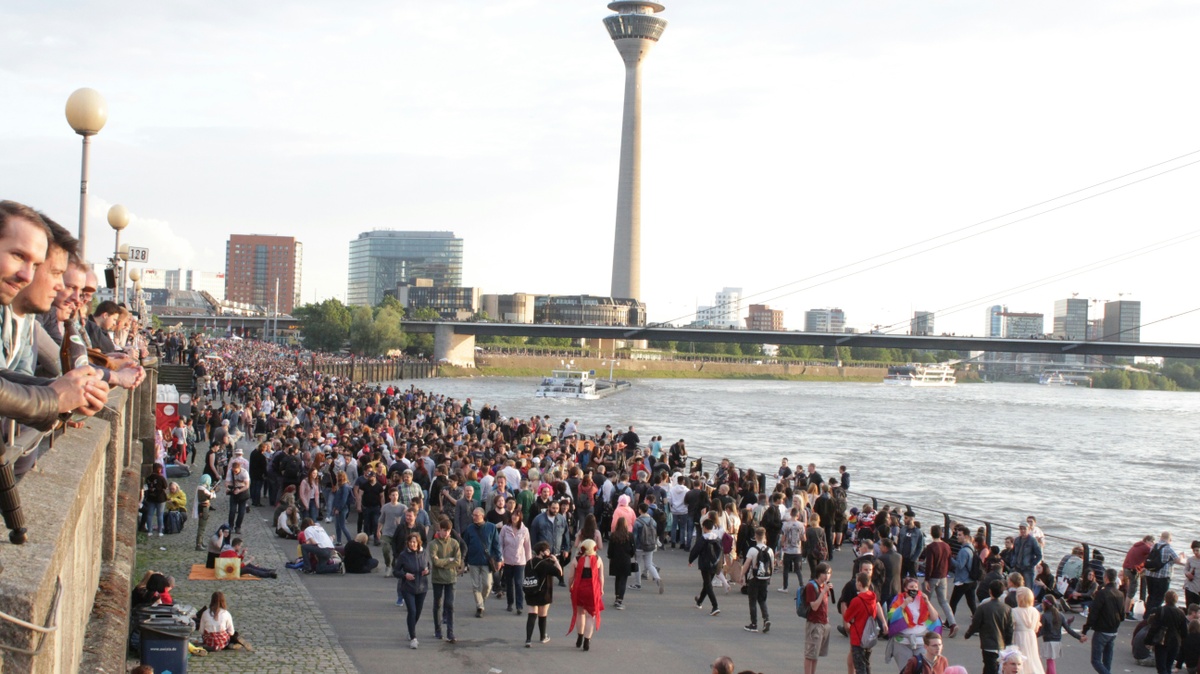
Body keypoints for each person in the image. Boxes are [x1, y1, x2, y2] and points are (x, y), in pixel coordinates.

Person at [887, 575, 941, 668]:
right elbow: (892, 617)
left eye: (916, 587)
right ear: (905, 588)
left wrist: (927, 602)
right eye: (911, 587)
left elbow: (934, 618)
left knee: (923, 669)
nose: (914, 589)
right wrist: (904, 603)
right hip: (902, 642)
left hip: (920, 641)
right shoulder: (898, 600)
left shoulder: (922, 599)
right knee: (906, 669)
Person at [964, 579, 1014, 674]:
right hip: (1001, 643)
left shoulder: (983, 607)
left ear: (990, 591)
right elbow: (1009, 628)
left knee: (989, 666)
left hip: (988, 643)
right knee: (997, 666)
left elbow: (975, 623)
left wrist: (968, 634)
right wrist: (1008, 644)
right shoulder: (1007, 609)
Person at [1081, 567, 1125, 674]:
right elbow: (1123, 615)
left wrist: (1085, 629)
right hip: (1113, 631)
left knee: (1096, 660)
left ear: (1106, 578)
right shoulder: (1120, 594)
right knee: (1107, 661)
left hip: (1102, 630)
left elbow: (1094, 613)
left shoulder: (1102, 593)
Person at [844, 570, 887, 674]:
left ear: (859, 583)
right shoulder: (873, 598)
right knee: (867, 664)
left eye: (856, 582)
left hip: (858, 636)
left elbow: (847, 616)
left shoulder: (857, 600)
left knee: (859, 666)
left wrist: (853, 618)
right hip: (869, 635)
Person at [462, 507, 501, 618]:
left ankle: (481, 601)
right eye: (473, 515)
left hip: (486, 561)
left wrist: (499, 558)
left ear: (482, 516)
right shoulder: (469, 528)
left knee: (487, 585)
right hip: (473, 561)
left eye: (476, 515)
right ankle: (480, 606)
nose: (474, 517)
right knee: (475, 586)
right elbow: (465, 545)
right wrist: (464, 561)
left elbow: (496, 544)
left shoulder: (491, 527)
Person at [394, 531, 431, 649]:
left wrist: (427, 571)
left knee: (418, 612)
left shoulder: (424, 553)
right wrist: (405, 575)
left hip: (422, 587)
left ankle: (411, 630)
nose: (412, 544)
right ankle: (413, 638)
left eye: (414, 542)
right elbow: (396, 571)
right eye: (410, 542)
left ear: (418, 542)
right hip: (408, 587)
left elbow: (428, 566)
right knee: (412, 611)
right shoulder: (403, 555)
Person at [429, 517, 462, 642]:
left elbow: (458, 561)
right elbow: (435, 562)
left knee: (450, 605)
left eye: (448, 530)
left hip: (451, 578)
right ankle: (438, 630)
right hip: (437, 578)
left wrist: (446, 562)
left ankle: (450, 632)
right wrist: (449, 560)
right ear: (440, 530)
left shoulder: (454, 543)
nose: (446, 533)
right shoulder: (434, 544)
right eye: (443, 530)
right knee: (437, 604)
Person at [568, 538, 605, 652]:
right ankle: (587, 641)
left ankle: (579, 636)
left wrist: (571, 587)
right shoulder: (598, 559)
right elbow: (601, 577)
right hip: (592, 590)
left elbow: (570, 577)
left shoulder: (576, 559)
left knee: (580, 614)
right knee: (590, 616)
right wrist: (602, 589)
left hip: (579, 589)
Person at [524, 540, 563, 647]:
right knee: (543, 614)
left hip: (530, 590)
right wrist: (556, 561)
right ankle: (542, 637)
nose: (549, 552)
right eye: (547, 550)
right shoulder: (546, 565)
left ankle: (528, 639)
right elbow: (560, 573)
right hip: (543, 593)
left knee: (532, 615)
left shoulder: (529, 563)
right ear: (541, 552)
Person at [922, 525, 957, 637]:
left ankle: (927, 624)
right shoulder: (947, 546)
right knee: (944, 601)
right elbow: (949, 562)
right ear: (941, 534)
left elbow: (929, 564)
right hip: (943, 576)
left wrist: (927, 579)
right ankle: (952, 623)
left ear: (931, 534)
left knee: (925, 600)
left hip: (933, 577)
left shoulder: (931, 547)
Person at [1146, 589, 1188, 674]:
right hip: (1175, 642)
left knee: (1161, 667)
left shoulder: (1161, 610)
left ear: (1165, 599)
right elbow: (1184, 632)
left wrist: (1148, 641)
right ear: (1176, 600)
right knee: (1168, 666)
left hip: (1162, 641)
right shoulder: (1181, 613)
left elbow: (1154, 627)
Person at [1039, 595, 1084, 674]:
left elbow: (1041, 631)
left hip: (1048, 641)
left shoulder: (1044, 616)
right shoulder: (1060, 615)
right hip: (1057, 641)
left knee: (1050, 662)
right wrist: (1079, 637)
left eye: (1042, 603)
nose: (1041, 605)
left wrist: (1032, 635)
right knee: (1051, 661)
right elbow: (1069, 630)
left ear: (1045, 604)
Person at [1145, 532, 1186, 616]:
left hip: (1150, 574)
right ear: (1169, 539)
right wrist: (1182, 556)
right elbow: (1178, 560)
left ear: (1161, 537)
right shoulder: (1168, 548)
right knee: (1159, 598)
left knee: (1151, 596)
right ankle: (1153, 616)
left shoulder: (1154, 546)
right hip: (1162, 577)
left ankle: (1146, 615)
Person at [741, 526, 773, 633]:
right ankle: (766, 619)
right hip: (765, 578)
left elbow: (746, 564)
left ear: (755, 536)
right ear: (764, 537)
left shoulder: (752, 550)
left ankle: (754, 623)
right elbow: (772, 565)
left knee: (752, 601)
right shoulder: (770, 550)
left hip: (754, 578)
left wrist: (742, 576)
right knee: (762, 600)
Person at [500, 509, 533, 614]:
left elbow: (527, 546)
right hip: (508, 560)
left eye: (517, 516)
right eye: (513, 515)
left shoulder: (524, 530)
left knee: (518, 583)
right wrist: (501, 558)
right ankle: (510, 603)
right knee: (509, 583)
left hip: (520, 561)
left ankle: (519, 606)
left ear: (520, 518)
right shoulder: (505, 529)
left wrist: (529, 561)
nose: (514, 517)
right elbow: (500, 544)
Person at [804, 562, 833, 674]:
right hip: (814, 623)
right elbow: (814, 606)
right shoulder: (812, 586)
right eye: (825, 573)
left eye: (829, 573)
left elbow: (824, 604)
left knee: (816, 655)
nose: (827, 576)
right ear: (819, 573)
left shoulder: (823, 586)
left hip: (823, 623)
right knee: (810, 654)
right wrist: (824, 591)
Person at [689, 518, 722, 616]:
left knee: (708, 585)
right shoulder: (717, 539)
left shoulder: (703, 539)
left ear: (704, 527)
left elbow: (696, 550)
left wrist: (690, 560)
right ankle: (699, 601)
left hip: (705, 564)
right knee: (707, 583)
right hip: (715, 564)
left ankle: (715, 606)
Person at [633, 501, 664, 593]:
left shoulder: (637, 522)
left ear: (640, 510)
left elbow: (634, 535)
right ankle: (657, 578)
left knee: (637, 564)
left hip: (639, 546)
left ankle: (637, 584)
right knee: (649, 564)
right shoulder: (652, 521)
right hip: (650, 545)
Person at [1011, 587, 1044, 674]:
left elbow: (1011, 627)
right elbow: (1036, 628)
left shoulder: (1014, 611)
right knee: (1033, 657)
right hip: (1031, 636)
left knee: (1019, 657)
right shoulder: (1035, 611)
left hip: (1018, 636)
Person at [607, 517, 635, 610]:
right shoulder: (629, 535)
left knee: (617, 579)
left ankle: (617, 597)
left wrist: (610, 556)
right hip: (625, 560)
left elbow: (610, 550)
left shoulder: (613, 535)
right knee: (623, 580)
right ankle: (620, 600)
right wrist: (630, 555)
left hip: (615, 560)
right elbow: (633, 549)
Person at [143, 464, 169, 537]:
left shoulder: (148, 478)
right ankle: (160, 531)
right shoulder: (161, 478)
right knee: (160, 515)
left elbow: (146, 487)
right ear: (159, 470)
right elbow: (165, 487)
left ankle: (150, 531)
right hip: (160, 498)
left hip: (151, 497)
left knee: (150, 515)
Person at [226, 460, 250, 534]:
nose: (234, 473)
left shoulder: (244, 473)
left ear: (239, 468)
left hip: (243, 492)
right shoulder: (230, 471)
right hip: (234, 491)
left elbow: (247, 485)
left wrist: (239, 490)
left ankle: (238, 527)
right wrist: (228, 488)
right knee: (232, 511)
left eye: (236, 471)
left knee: (241, 512)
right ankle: (230, 526)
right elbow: (227, 482)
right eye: (233, 471)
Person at [193, 474, 215, 551]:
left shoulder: (202, 489)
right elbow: (209, 497)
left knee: (202, 527)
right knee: (201, 527)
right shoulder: (202, 489)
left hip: (204, 508)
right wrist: (212, 493)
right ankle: (198, 544)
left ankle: (200, 542)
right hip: (203, 509)